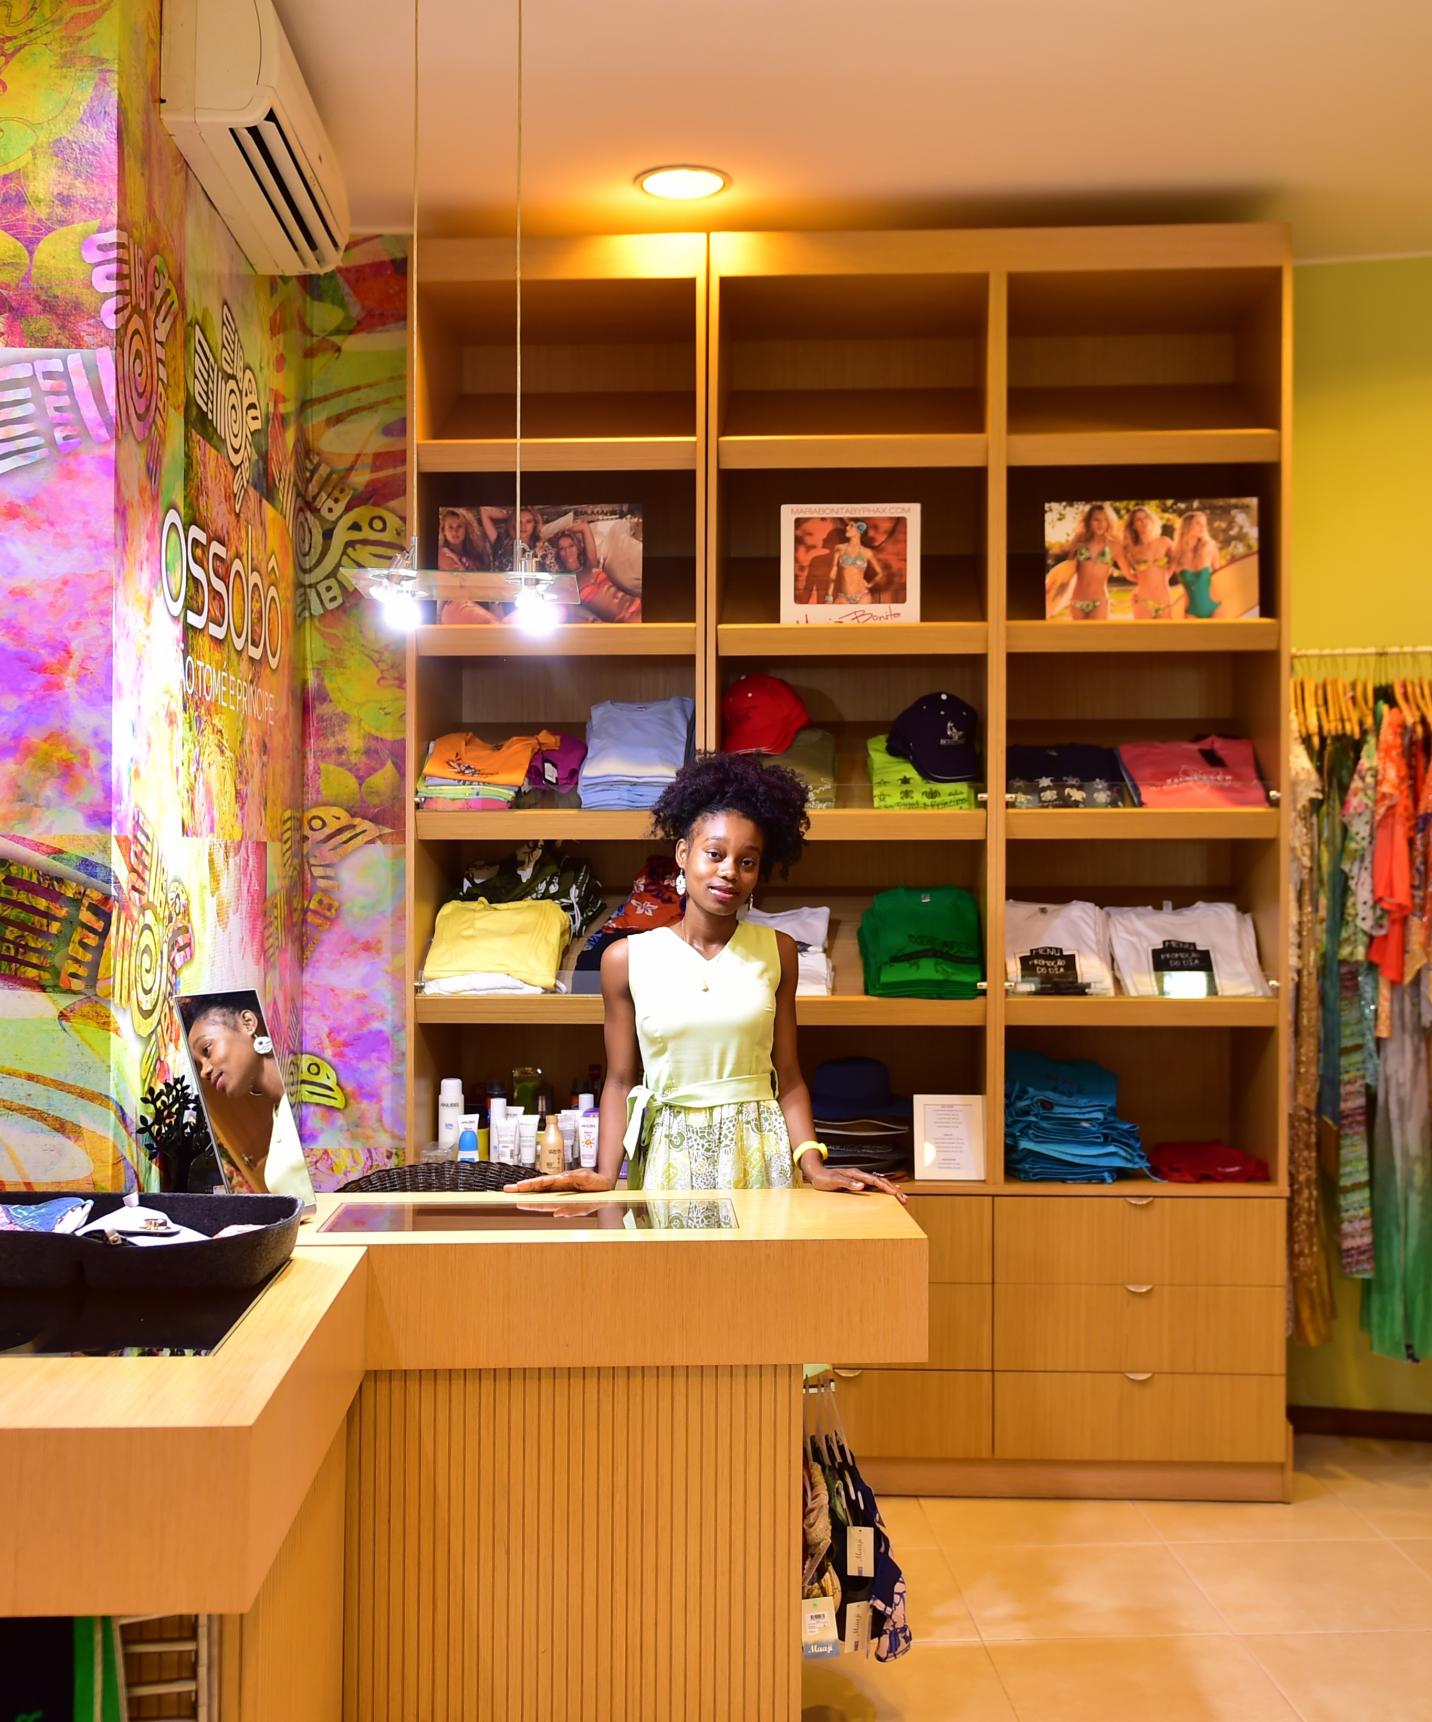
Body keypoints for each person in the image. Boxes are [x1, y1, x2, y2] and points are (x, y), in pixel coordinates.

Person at [514, 754, 907, 1199]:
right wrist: (607, 1175)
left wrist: (814, 1166)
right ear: (683, 854)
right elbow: (621, 1081)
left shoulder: (778, 952)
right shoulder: (625, 959)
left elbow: (790, 1076)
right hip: (669, 1157)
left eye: (747, 861)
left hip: (759, 1153)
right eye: (715, 854)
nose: (729, 871)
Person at [182, 994, 312, 1203]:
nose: (205, 1071)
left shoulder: (313, 1097)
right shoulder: (279, 1114)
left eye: (207, 1049)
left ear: (248, 1023)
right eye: (199, 1064)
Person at [1048, 503, 1129, 621]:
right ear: (1089, 522)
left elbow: (1128, 573)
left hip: (1099, 601)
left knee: (1098, 638)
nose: (1100, 524)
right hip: (1077, 601)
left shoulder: (1115, 547)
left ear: (1109, 522)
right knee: (1079, 638)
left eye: (1104, 520)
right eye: (1096, 520)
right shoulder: (1079, 545)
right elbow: (1067, 572)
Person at [1123, 505, 1181, 620]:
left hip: (1164, 599)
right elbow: (1128, 574)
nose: (1143, 522)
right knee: (1143, 636)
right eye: (1138, 520)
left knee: (1166, 637)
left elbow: (1177, 559)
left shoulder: (1165, 542)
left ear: (1151, 520)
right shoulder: (1131, 549)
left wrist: (1168, 573)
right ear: (1133, 526)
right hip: (1142, 601)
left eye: (1146, 518)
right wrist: (1141, 580)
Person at [1172, 509, 1222, 618]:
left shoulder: (1210, 547)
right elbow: (1162, 576)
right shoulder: (1177, 554)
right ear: (1187, 526)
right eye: (1198, 523)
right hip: (1191, 611)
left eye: (1204, 524)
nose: (1202, 527)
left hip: (1215, 607)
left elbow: (1220, 576)